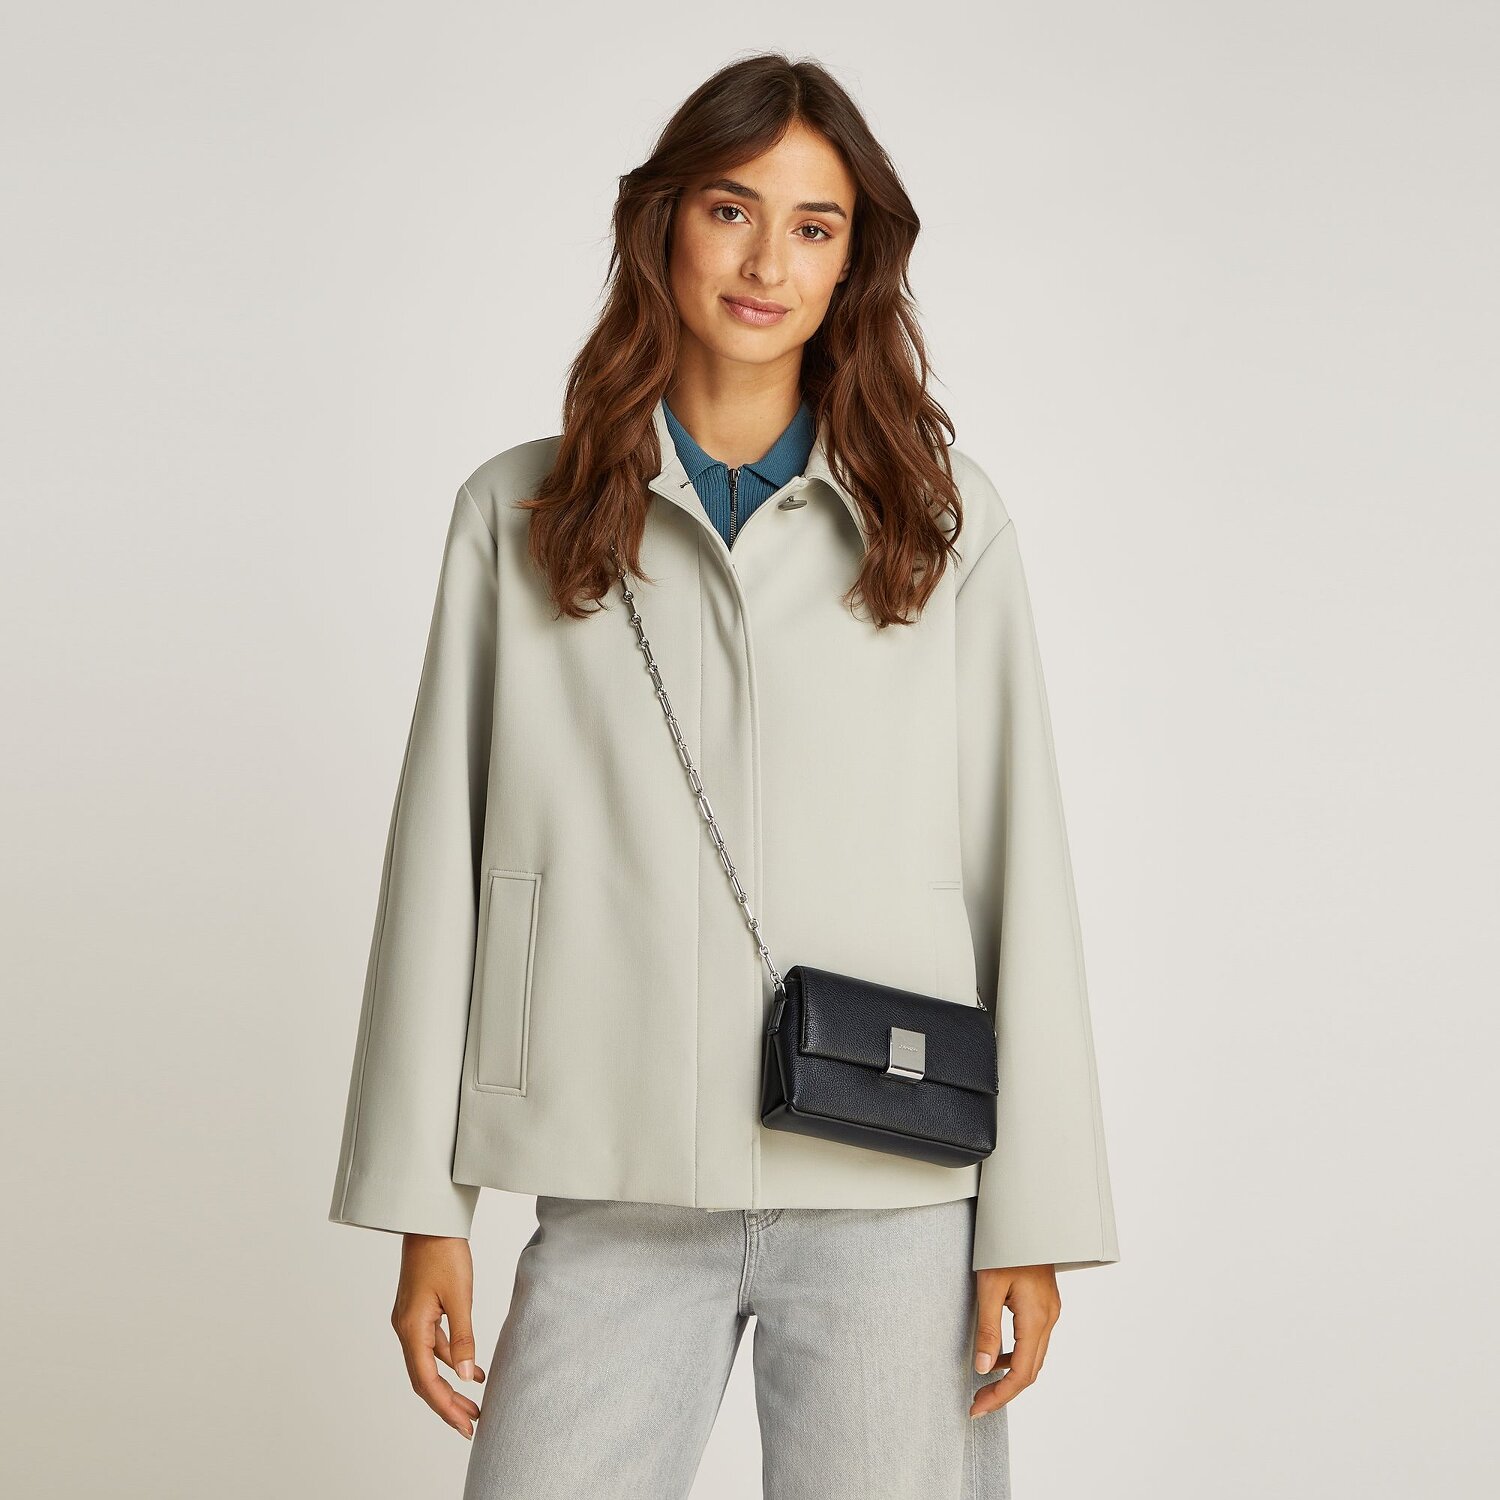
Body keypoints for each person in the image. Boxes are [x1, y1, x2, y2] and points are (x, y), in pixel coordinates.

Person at [327, 51, 1121, 1499]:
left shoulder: (942, 523)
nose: (768, 263)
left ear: (852, 263)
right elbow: (441, 858)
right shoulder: (517, 513)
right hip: (613, 1172)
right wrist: (421, 1205)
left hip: (890, 1188)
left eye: (815, 227)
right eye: (732, 209)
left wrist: (1034, 1219)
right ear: (665, 223)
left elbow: (1022, 865)